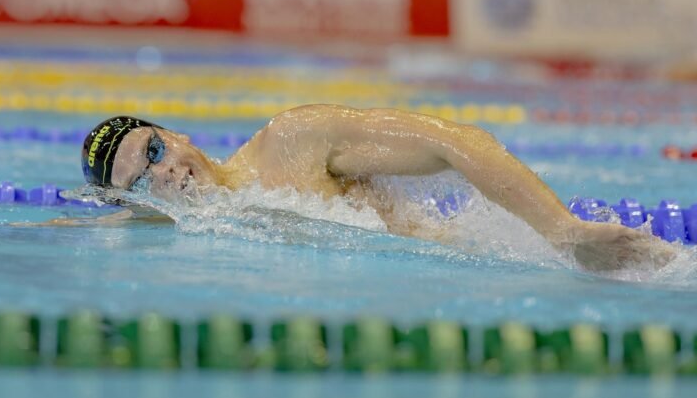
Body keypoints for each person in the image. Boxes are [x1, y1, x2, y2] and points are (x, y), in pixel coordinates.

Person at [81, 105, 675, 271]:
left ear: (176, 134)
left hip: (479, 269)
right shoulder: (181, 235)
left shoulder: (291, 142)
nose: (163, 173)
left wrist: (565, 233)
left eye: (154, 150)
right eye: (141, 180)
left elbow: (456, 142)